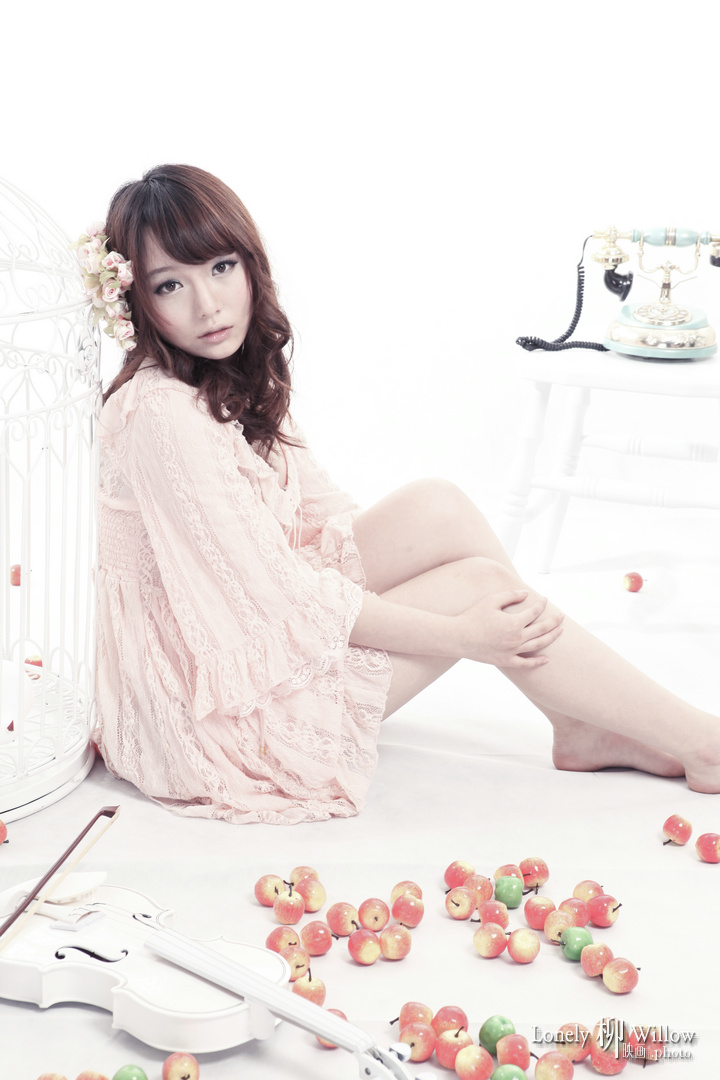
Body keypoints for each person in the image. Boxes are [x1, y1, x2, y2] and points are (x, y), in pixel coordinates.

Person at [83, 164, 719, 825]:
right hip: (212, 710)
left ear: (250, 264)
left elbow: (322, 517)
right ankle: (704, 744)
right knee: (478, 587)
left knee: (438, 507)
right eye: (170, 285)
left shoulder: (224, 376)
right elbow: (284, 601)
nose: (208, 304)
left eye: (221, 268)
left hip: (251, 630)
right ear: (136, 302)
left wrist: (431, 590)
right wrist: (463, 634)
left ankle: (575, 721)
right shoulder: (161, 413)